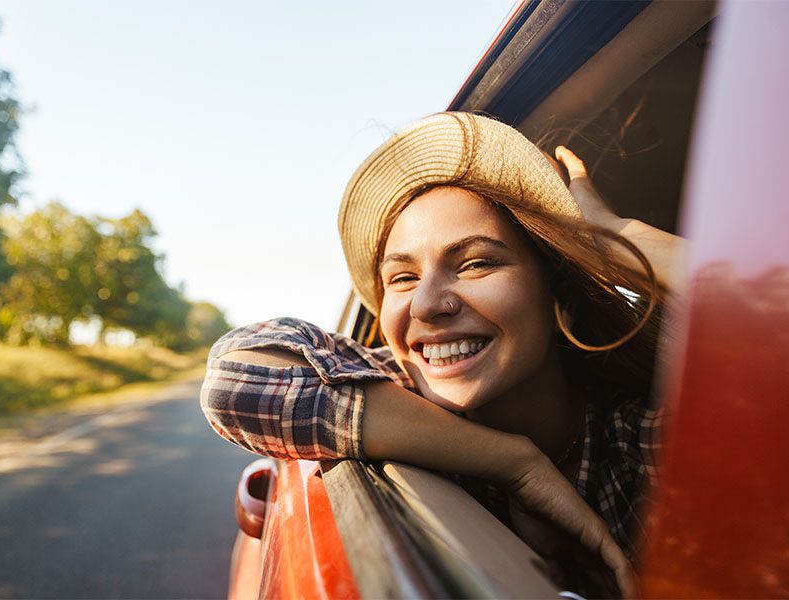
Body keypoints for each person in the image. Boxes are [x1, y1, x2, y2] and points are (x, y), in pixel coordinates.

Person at [200, 112, 683, 598]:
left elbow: (761, 319)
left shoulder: (645, 446)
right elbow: (234, 378)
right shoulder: (394, 390)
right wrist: (513, 463)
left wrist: (613, 236)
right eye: (403, 278)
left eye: (475, 263)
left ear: (561, 296)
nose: (429, 305)